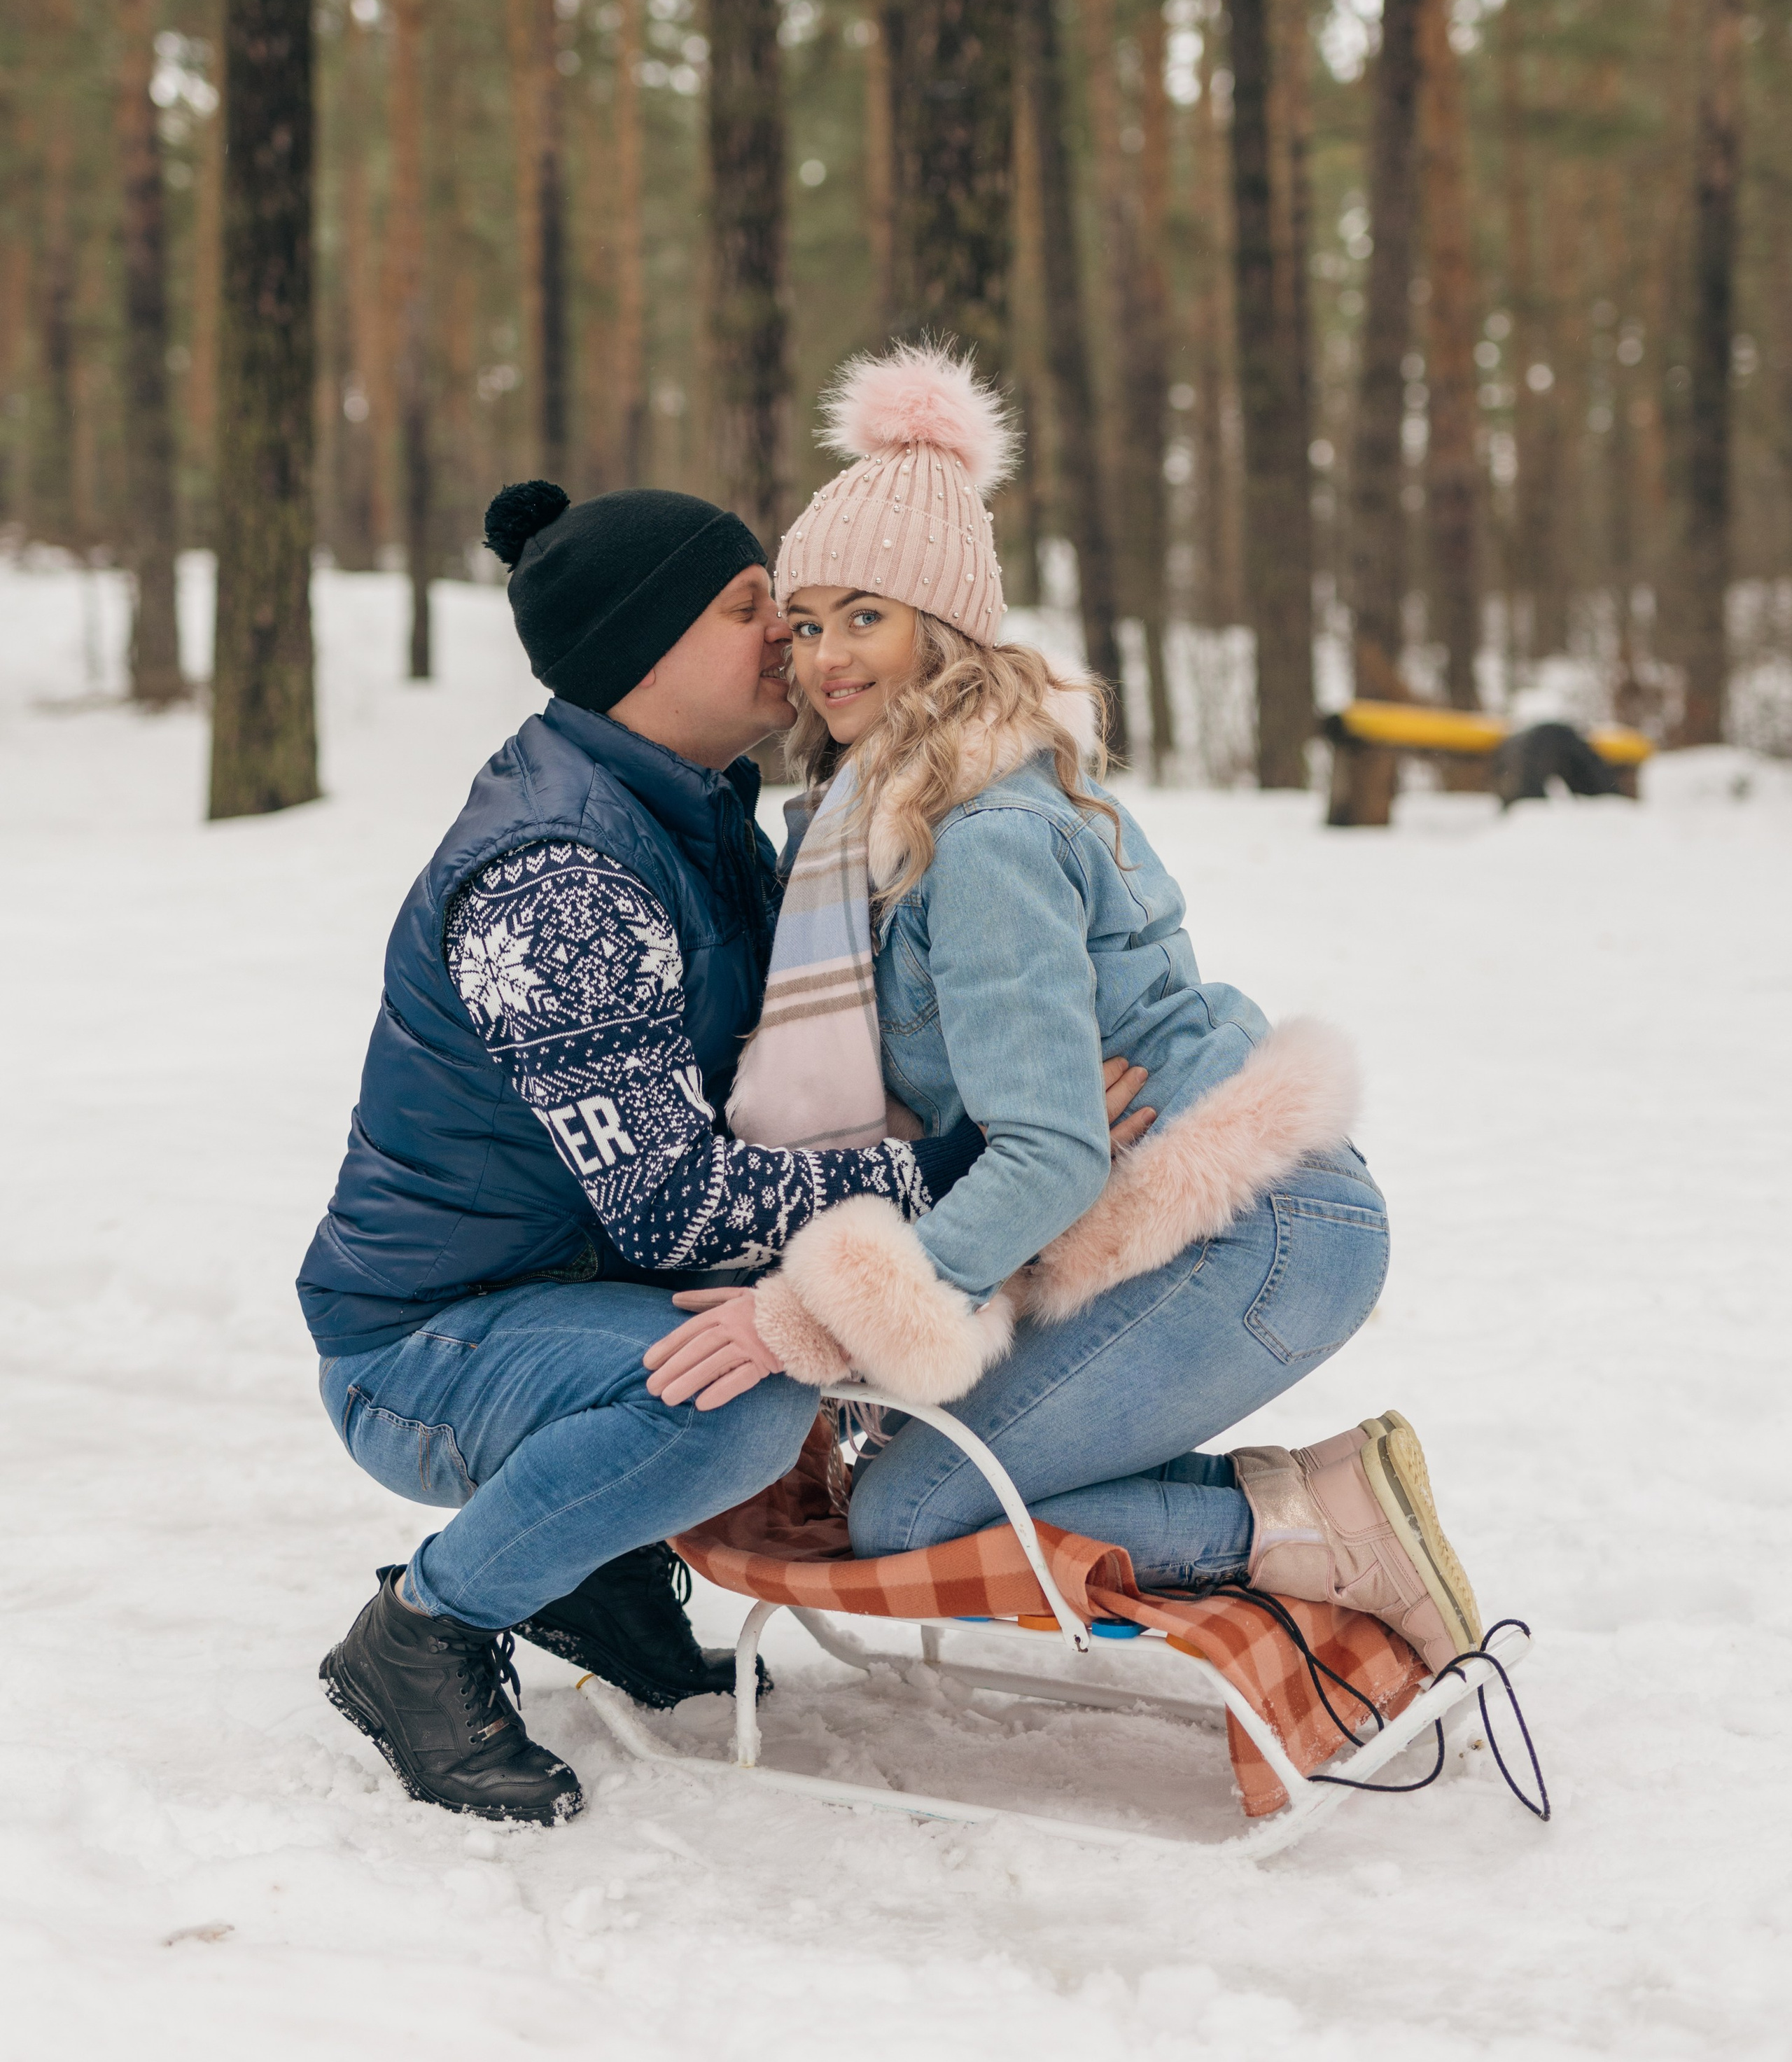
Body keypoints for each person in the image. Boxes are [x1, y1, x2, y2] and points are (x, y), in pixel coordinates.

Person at [643, 345, 1483, 1678]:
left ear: (945, 627)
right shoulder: (878, 824)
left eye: (866, 615)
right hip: (1179, 1223)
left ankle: (1316, 1520)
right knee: (930, 1488)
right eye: (804, 623)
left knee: (910, 1511)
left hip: (1248, 1227)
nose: (823, 657)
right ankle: (1303, 1505)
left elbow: (1052, 1149)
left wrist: (814, 1317)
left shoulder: (979, 838)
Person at [302, 482, 1004, 1825]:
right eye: (750, 610)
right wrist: (967, 1171)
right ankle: (423, 1636)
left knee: (768, 1339)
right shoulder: (557, 875)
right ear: (642, 651)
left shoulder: (693, 811)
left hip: (569, 1290)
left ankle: (589, 1563)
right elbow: (681, 1201)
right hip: (424, 1346)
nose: (788, 639)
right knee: (742, 1393)